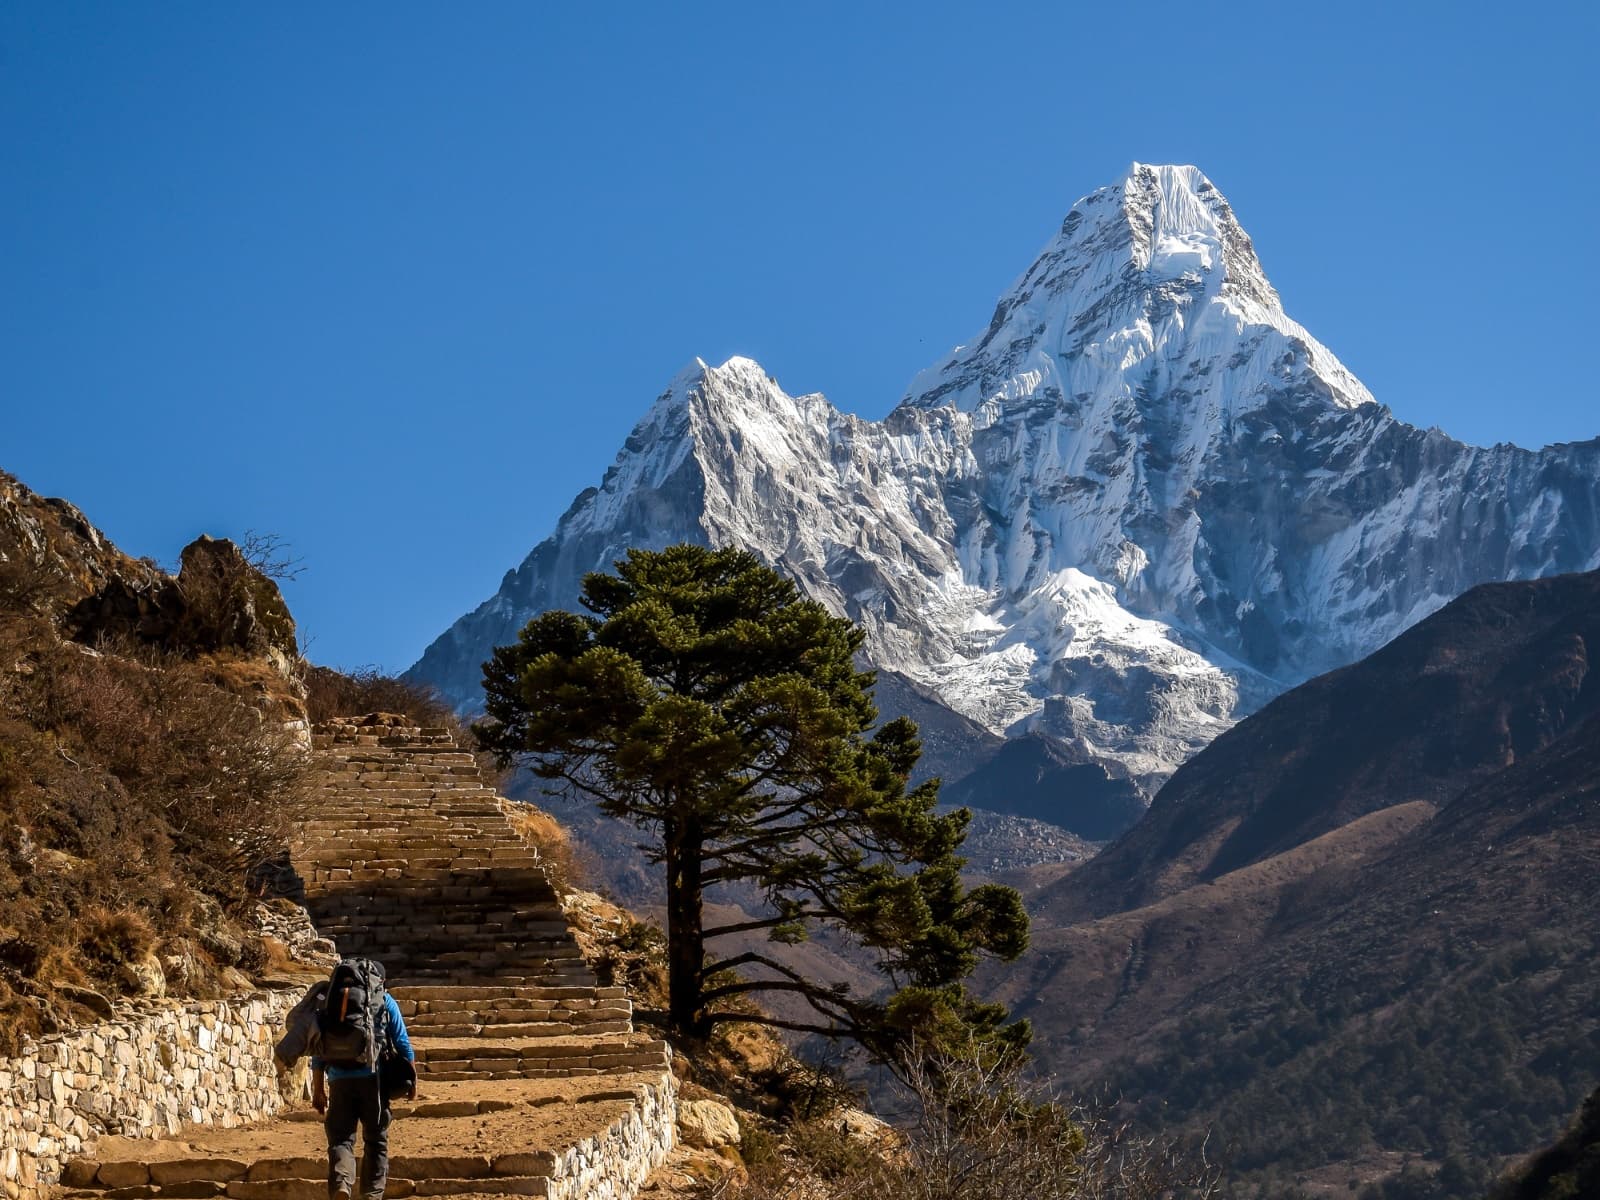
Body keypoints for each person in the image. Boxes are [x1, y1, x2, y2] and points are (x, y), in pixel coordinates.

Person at [310, 979, 415, 1200]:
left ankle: (341, 1183)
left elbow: (318, 1047)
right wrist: (412, 1079)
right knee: (376, 1140)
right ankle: (371, 1194)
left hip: (338, 1080)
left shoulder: (331, 1000)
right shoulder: (383, 999)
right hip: (374, 1080)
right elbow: (402, 1042)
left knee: (340, 1139)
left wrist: (318, 1088)